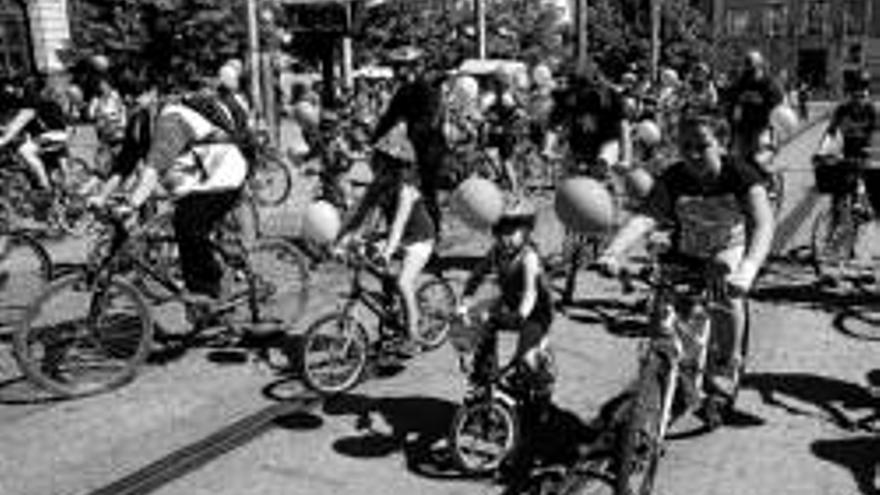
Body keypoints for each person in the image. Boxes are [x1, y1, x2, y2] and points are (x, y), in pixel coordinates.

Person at [597, 114, 775, 403]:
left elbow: (764, 223)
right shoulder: (674, 176)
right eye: (685, 146)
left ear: (722, 144)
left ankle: (726, 364)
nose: (692, 154)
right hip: (687, 249)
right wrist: (613, 251)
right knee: (662, 304)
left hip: (727, 251)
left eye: (702, 145)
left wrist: (748, 270)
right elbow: (646, 217)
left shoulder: (741, 174)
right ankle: (659, 370)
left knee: (725, 296)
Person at [113, 86, 250, 316]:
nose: (131, 99)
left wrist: (132, 204)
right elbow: (124, 164)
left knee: (188, 224)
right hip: (199, 179)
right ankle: (203, 295)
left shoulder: (171, 119)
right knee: (184, 225)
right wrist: (100, 196)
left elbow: (153, 168)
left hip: (225, 175)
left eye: (137, 94)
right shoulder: (140, 122)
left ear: (152, 94)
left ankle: (208, 288)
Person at [335, 149, 438, 357]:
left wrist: (387, 252)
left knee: (403, 282)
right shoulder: (377, 187)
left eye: (382, 166)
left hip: (419, 240)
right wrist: (339, 242)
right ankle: (391, 318)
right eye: (377, 166)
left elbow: (398, 226)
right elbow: (358, 217)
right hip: (397, 239)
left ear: (395, 170)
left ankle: (413, 336)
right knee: (373, 264)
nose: (378, 170)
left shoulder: (406, 192)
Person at [458, 200, 555, 401]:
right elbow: (477, 275)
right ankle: (483, 377)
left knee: (526, 361)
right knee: (479, 326)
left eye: (511, 232)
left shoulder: (529, 257)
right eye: (500, 232)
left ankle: (544, 383)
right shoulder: (496, 252)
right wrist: (465, 300)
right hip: (510, 303)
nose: (504, 238)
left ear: (526, 231)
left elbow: (530, 292)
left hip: (536, 312)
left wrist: (521, 315)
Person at [370, 45, 447, 234]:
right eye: (395, 67)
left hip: (429, 150)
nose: (395, 71)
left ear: (414, 66)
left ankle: (433, 236)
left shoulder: (429, 90)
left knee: (426, 194)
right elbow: (389, 117)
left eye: (399, 67)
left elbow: (428, 122)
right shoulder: (403, 91)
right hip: (406, 150)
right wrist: (374, 139)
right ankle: (399, 232)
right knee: (392, 191)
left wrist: (406, 137)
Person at [816, 70, 880, 241]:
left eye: (863, 90)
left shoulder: (872, 110)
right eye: (855, 91)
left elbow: (877, 135)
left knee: (868, 193)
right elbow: (830, 133)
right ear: (850, 92)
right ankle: (836, 230)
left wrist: (873, 152)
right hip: (847, 154)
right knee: (838, 193)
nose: (859, 94)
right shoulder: (842, 110)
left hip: (869, 154)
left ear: (868, 92)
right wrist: (821, 151)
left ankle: (865, 211)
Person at [0, 75, 70, 193]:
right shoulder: (41, 101)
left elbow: (16, 127)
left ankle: (45, 186)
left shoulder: (31, 104)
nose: (14, 92)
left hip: (52, 136)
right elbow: (13, 126)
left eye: (16, 89)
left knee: (24, 150)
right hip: (53, 136)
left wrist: (2, 141)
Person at [724, 50, 784, 171]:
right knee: (740, 158)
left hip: (762, 125)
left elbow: (777, 100)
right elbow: (730, 96)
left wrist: (761, 101)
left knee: (758, 157)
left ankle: (769, 179)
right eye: (747, 64)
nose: (749, 69)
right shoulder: (742, 81)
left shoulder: (768, 82)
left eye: (751, 64)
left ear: (759, 64)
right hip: (743, 126)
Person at [481, 66, 523, 191]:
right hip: (496, 132)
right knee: (488, 153)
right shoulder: (491, 97)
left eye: (495, 82)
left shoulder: (507, 97)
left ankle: (514, 190)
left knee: (506, 161)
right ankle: (500, 177)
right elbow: (485, 113)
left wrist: (505, 124)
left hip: (506, 133)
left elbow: (518, 114)